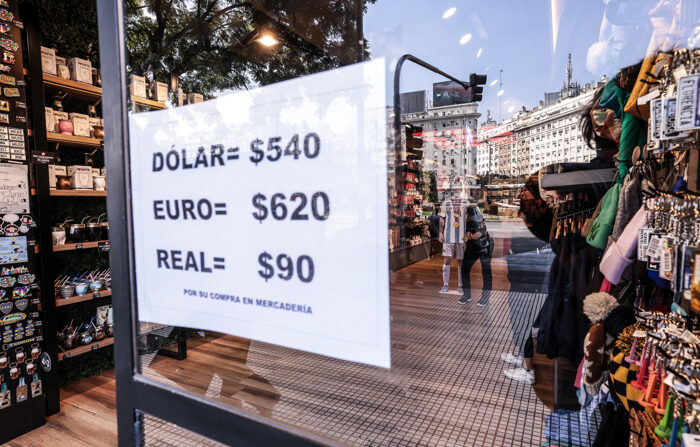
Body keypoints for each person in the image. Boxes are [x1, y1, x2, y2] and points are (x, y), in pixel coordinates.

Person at [458, 205, 492, 306]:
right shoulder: (466, 218)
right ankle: (467, 295)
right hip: (473, 246)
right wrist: (468, 236)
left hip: (483, 246)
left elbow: (480, 232)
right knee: (465, 269)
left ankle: (485, 297)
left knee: (486, 272)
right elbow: (464, 238)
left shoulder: (474, 215)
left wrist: (474, 236)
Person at [438, 194, 469, 293]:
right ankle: (445, 285)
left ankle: (460, 286)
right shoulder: (445, 203)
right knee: (447, 260)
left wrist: (469, 234)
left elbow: (469, 221)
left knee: (461, 262)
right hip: (448, 237)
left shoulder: (466, 203)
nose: (456, 189)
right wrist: (440, 233)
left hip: (462, 237)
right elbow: (441, 220)